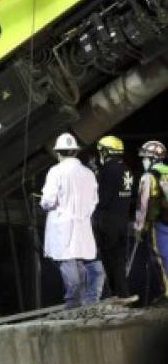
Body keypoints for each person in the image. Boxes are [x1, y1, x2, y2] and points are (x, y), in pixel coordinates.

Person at [40, 132, 98, 309]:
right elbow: (94, 200)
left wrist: (44, 204)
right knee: (79, 261)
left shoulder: (56, 171)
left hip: (62, 225)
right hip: (82, 224)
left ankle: (73, 302)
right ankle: (81, 301)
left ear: (59, 153)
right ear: (75, 152)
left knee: (68, 262)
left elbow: (48, 200)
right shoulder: (88, 173)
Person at [90, 135, 134, 301]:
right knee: (119, 260)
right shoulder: (126, 169)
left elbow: (102, 199)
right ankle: (122, 293)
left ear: (106, 151)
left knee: (109, 260)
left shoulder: (108, 170)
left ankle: (117, 295)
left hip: (107, 222)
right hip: (122, 220)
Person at [135, 140, 168, 301]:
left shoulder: (148, 176)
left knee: (160, 256)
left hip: (159, 222)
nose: (144, 161)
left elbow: (143, 203)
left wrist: (139, 226)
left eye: (146, 157)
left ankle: (166, 293)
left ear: (153, 158)